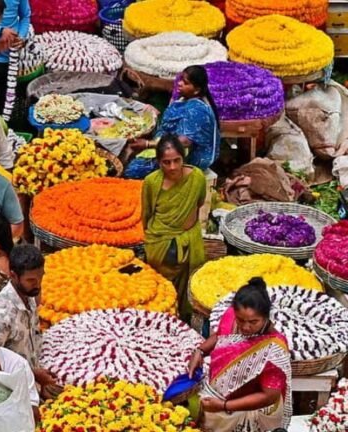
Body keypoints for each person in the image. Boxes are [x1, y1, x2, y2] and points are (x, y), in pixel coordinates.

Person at [187, 278, 292, 432]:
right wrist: (200, 351)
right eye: (241, 320)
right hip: (218, 398)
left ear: (265, 318)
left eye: (253, 322)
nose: (245, 327)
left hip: (247, 413)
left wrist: (224, 406)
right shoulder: (231, 316)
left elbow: (270, 396)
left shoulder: (273, 349)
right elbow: (220, 335)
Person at [141, 135, 207, 321]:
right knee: (161, 289)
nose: (173, 167)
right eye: (166, 162)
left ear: (183, 157)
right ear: (158, 162)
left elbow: (199, 202)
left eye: (177, 160)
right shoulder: (152, 182)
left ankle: (183, 318)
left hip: (189, 238)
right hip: (160, 240)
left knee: (188, 283)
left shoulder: (197, 178)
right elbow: (146, 214)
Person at [0, 244, 60, 400]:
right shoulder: (1, 314)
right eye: (31, 280)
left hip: (32, 388)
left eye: (41, 277)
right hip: (13, 393)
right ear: (13, 275)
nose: (38, 284)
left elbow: (34, 338)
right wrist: (34, 375)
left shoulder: (29, 296)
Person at [124, 65, 221, 179]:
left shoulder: (197, 110)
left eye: (185, 83)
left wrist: (148, 144)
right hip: (171, 148)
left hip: (190, 158)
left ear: (197, 90)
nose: (179, 84)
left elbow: (184, 142)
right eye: (181, 79)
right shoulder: (185, 99)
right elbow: (171, 126)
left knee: (131, 169)